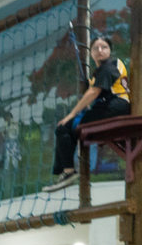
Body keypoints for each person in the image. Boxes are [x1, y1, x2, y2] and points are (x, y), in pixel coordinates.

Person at [43, 36, 131, 192]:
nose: (100, 50)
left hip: (114, 106)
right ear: (91, 53)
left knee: (64, 128)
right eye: (95, 48)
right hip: (111, 107)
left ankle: (68, 172)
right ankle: (67, 171)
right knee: (66, 129)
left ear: (110, 51)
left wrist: (71, 114)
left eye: (104, 47)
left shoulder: (110, 65)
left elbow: (93, 92)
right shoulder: (101, 72)